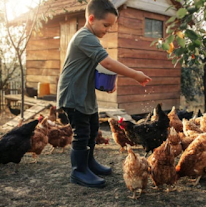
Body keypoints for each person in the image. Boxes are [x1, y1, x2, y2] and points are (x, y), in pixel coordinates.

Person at [56, 0, 151, 188]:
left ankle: (89, 163)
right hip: (74, 95)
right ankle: (79, 171)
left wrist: (104, 84)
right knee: (82, 133)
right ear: (91, 19)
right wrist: (135, 75)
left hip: (85, 94)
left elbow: (90, 68)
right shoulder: (84, 37)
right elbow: (107, 63)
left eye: (110, 26)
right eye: (106, 25)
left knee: (92, 129)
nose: (108, 29)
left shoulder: (91, 39)